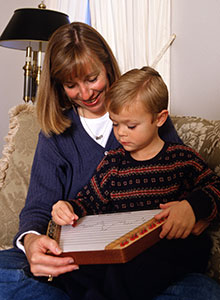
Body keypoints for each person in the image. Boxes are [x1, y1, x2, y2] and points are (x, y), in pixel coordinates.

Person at [0, 21, 219, 300]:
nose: (86, 93)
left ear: (107, 66)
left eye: (92, 79)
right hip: (85, 263)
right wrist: (33, 240)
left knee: (204, 293)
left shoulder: (152, 121)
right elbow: (44, 208)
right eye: (71, 85)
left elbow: (193, 182)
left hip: (148, 261)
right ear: (58, 85)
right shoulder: (58, 136)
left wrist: (193, 209)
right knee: (7, 277)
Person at [51, 66, 220, 299]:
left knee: (184, 252)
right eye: (115, 123)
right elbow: (88, 201)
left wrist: (192, 207)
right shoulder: (113, 164)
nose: (121, 133)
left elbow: (215, 187)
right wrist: (68, 208)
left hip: (168, 250)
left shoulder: (182, 158)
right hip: (125, 255)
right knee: (71, 270)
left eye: (131, 126)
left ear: (159, 119)